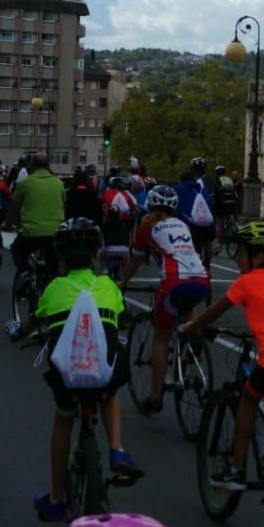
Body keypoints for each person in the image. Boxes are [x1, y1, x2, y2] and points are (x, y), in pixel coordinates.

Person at [180, 222, 264, 492]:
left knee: (248, 400)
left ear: (258, 256)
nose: (237, 259)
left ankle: (236, 469)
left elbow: (215, 311)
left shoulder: (247, 282)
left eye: (241, 253)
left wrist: (191, 327)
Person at [28, 218, 141, 522]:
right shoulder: (107, 285)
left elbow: (32, 322)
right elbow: (125, 315)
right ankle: (117, 449)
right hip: (103, 371)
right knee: (110, 391)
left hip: (66, 375)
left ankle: (55, 498)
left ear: (61, 258)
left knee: (63, 420)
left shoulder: (54, 288)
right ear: (95, 256)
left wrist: (18, 331)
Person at [120, 185, 209, 415]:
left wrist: (123, 282)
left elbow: (135, 260)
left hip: (172, 283)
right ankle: (194, 342)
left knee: (161, 338)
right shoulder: (184, 225)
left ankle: (156, 397)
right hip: (201, 279)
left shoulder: (146, 227)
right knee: (187, 310)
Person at [5, 151, 66, 330]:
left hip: (31, 233)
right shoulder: (58, 183)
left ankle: (25, 273)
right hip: (56, 233)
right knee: (53, 267)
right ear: (48, 166)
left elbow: (14, 208)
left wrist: (7, 225)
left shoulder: (26, 183)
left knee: (17, 248)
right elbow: (63, 204)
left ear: (32, 165)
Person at [173, 157, 216, 262]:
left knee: (191, 241)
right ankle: (208, 263)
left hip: (190, 223)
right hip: (207, 221)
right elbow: (210, 201)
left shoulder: (177, 188)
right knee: (208, 241)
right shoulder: (202, 188)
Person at [100, 176, 139, 277]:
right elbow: (134, 206)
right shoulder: (126, 193)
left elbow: (102, 204)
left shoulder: (106, 192)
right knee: (128, 235)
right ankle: (124, 275)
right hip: (125, 220)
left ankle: (104, 271)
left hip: (109, 220)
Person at [212, 165, 239, 238]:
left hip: (222, 203)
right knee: (231, 216)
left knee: (219, 222)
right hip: (232, 202)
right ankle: (232, 227)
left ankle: (218, 241)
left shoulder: (216, 179)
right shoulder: (229, 179)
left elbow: (215, 192)